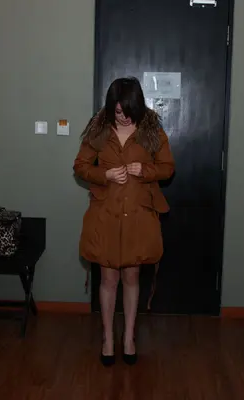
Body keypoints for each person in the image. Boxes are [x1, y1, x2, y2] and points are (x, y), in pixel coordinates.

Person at [73, 77, 175, 367]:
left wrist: (145, 170)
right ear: (111, 107)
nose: (124, 117)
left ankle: (129, 338)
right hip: (105, 215)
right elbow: (80, 166)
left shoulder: (151, 129)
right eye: (118, 112)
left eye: (129, 111)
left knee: (132, 278)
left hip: (138, 215)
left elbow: (168, 168)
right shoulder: (99, 129)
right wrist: (103, 175)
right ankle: (108, 339)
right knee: (108, 280)